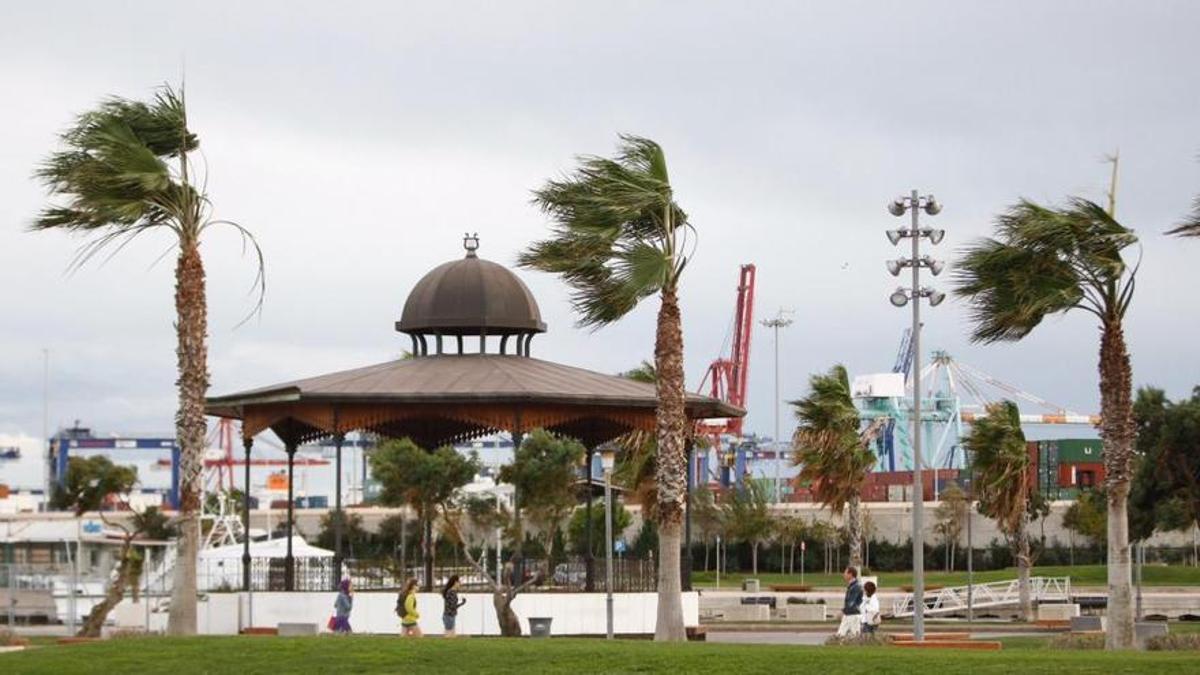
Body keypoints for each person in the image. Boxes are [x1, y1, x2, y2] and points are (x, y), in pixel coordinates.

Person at [835, 566, 863, 638]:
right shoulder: (852, 586)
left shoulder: (856, 586)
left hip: (853, 616)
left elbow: (851, 602)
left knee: (855, 637)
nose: (844, 574)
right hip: (848, 615)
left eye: (845, 572)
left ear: (850, 574)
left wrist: (842, 611)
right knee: (840, 636)